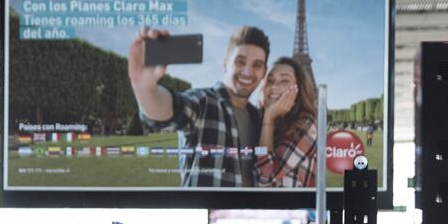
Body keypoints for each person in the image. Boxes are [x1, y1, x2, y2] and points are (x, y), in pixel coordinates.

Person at [129, 26, 269, 187]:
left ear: (264, 73)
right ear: (225, 64)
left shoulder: (259, 118)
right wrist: (144, 87)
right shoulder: (203, 102)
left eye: (257, 65)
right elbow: (170, 110)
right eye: (240, 61)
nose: (247, 71)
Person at [255, 56, 319, 187]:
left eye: (284, 81)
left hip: (295, 207)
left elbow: (266, 175)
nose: (274, 86)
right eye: (270, 80)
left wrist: (269, 118)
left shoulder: (308, 125)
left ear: (298, 88)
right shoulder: (256, 119)